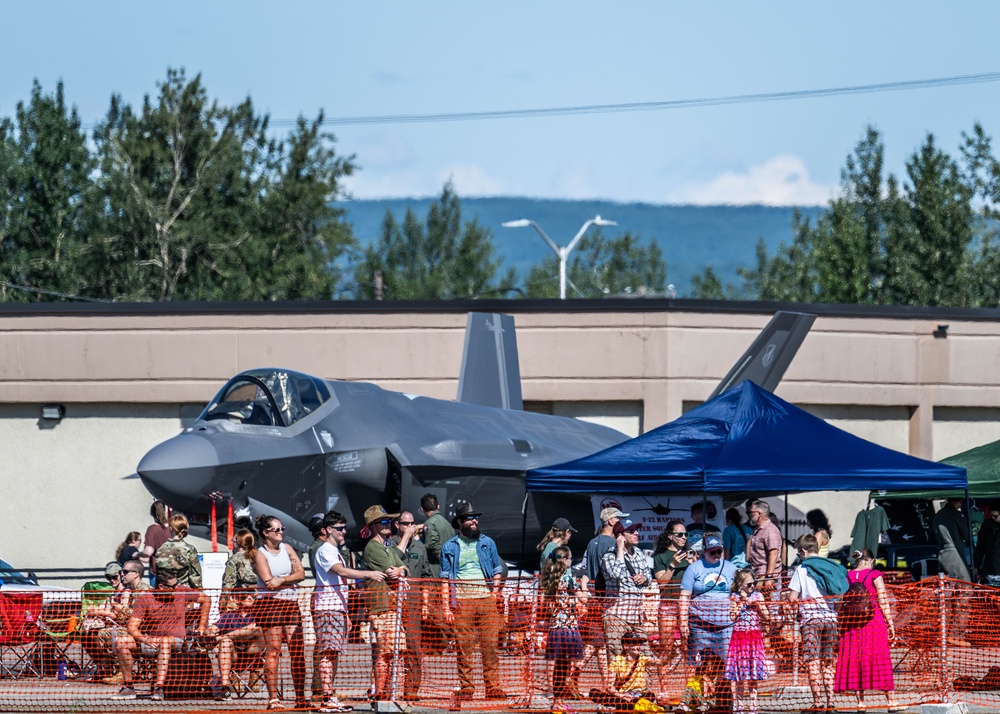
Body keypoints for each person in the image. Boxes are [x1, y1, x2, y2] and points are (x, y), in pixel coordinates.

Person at [314, 510, 386, 713]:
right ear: (328, 530)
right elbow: (341, 572)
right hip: (328, 608)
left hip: (337, 608)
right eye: (339, 528)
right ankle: (326, 698)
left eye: (344, 528)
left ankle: (329, 696)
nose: (343, 532)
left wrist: (345, 612)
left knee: (333, 653)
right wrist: (369, 573)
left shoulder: (334, 550)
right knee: (328, 653)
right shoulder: (326, 550)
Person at [112, 561, 211, 701]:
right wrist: (145, 639)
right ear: (161, 586)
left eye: (176, 584)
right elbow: (132, 627)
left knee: (165, 641)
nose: (176, 588)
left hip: (176, 641)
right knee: (122, 641)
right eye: (172, 586)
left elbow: (206, 599)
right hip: (152, 640)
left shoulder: (181, 591)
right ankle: (128, 686)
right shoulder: (145, 598)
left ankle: (159, 687)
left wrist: (201, 626)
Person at [439, 501, 507, 702]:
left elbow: (497, 570)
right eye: (470, 517)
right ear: (460, 522)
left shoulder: (487, 542)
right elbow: (445, 578)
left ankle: (493, 687)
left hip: (486, 599)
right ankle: (467, 687)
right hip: (461, 601)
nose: (475, 520)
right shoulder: (449, 546)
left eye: (476, 517)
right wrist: (446, 607)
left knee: (491, 646)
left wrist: (494, 594)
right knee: (464, 647)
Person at [252, 514, 307, 711]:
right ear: (266, 533)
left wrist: (283, 579)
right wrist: (288, 579)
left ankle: (300, 696)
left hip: (290, 603)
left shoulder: (288, 548)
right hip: (270, 605)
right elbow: (268, 582)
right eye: (277, 530)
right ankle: (273, 698)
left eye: (282, 529)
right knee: (274, 650)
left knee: (297, 650)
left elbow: (301, 574)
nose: (281, 532)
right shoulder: (260, 554)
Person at [834, 548, 899, 712]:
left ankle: (860, 703)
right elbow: (883, 601)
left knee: (855, 658)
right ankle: (891, 701)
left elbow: (841, 602)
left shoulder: (848, 576)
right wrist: (890, 623)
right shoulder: (874, 574)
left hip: (852, 623)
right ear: (871, 560)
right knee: (880, 658)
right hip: (873, 621)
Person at [788, 534, 847, 713]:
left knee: (813, 661)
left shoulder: (801, 569)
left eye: (799, 553)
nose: (799, 557)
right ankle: (831, 702)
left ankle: (818, 703)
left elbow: (793, 598)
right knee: (828, 662)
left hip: (810, 621)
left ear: (804, 551)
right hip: (830, 619)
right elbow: (838, 594)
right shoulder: (829, 566)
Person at [361, 504, 412, 702]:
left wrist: (401, 571)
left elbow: (402, 568)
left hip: (393, 606)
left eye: (388, 520)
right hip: (382, 607)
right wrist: (399, 572)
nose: (388, 524)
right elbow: (392, 575)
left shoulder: (388, 545)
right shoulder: (373, 548)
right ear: (373, 525)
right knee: (385, 653)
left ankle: (388, 691)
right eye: (383, 521)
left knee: (395, 652)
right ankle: (380, 692)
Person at [579, 506, 629, 690]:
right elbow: (614, 573)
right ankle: (612, 684)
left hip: (594, 596)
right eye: (619, 519)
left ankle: (606, 683)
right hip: (606, 599)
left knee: (597, 643)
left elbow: (586, 570)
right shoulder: (611, 544)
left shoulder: (592, 542)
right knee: (610, 645)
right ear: (611, 521)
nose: (622, 523)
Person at [679, 534, 738, 670]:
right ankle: (698, 690)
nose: (716, 554)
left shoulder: (731, 567)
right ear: (704, 551)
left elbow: (738, 594)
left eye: (719, 551)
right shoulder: (694, 568)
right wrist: (682, 622)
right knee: (700, 664)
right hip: (700, 623)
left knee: (726, 662)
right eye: (712, 552)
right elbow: (684, 596)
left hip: (726, 624)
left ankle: (723, 691)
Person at [540, 545, 585, 707]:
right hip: (568, 627)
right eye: (570, 558)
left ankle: (556, 697)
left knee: (558, 663)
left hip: (555, 626)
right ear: (564, 560)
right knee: (564, 665)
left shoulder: (549, 578)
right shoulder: (568, 579)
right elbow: (583, 599)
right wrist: (584, 584)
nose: (571, 561)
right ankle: (558, 699)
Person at [601, 517, 652, 661]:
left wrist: (644, 578)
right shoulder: (609, 556)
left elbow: (648, 576)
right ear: (621, 536)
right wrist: (620, 550)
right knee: (617, 659)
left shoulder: (639, 553)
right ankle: (616, 684)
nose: (636, 533)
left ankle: (642, 685)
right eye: (631, 531)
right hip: (616, 616)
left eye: (636, 530)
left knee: (644, 657)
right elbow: (617, 574)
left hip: (636, 616)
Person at [392, 510, 430, 700]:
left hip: (413, 603)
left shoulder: (420, 548)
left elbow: (426, 577)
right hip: (392, 603)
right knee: (389, 648)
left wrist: (425, 604)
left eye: (412, 523)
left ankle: (411, 689)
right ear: (397, 525)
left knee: (414, 646)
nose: (409, 527)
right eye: (405, 523)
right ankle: (384, 689)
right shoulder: (389, 545)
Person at [723, 569, 770, 714]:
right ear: (740, 585)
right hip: (739, 637)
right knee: (740, 673)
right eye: (749, 584)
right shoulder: (734, 597)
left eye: (754, 583)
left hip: (754, 636)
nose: (752, 587)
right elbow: (732, 616)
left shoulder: (758, 595)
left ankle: (753, 705)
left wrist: (759, 606)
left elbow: (767, 615)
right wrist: (742, 602)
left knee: (753, 672)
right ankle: (740, 705)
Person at [652, 520, 695, 660]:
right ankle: (663, 682)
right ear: (670, 536)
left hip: (688, 604)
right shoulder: (660, 556)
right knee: (666, 647)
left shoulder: (690, 554)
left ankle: (691, 681)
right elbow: (662, 584)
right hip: (668, 603)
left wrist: (694, 565)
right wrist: (672, 565)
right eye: (680, 534)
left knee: (689, 647)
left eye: (686, 534)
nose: (684, 537)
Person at [211, 591, 264, 700]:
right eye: (245, 595)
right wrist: (205, 631)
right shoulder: (229, 615)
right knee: (225, 642)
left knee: (257, 629)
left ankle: (221, 638)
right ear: (235, 599)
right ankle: (225, 688)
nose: (249, 597)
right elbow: (212, 629)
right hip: (235, 656)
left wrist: (219, 637)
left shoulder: (258, 613)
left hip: (254, 652)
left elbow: (256, 628)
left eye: (252, 595)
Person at [588, 631, 656, 712]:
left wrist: (669, 652)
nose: (638, 646)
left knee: (650, 695)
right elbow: (609, 687)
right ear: (626, 646)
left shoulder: (643, 658)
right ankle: (627, 706)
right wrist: (622, 695)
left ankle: (617, 707)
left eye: (639, 643)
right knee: (594, 693)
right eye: (635, 643)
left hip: (639, 695)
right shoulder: (617, 661)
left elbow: (660, 662)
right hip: (623, 695)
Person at [153, 513, 202, 588]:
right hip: (183, 592)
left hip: (165, 591)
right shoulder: (189, 549)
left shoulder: (161, 549)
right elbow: (195, 575)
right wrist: (199, 592)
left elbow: (159, 573)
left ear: (171, 528)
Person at [746, 500, 782, 596]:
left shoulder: (770, 530)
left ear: (759, 513)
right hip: (758, 574)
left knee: (767, 606)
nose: (748, 515)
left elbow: (774, 553)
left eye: (751, 512)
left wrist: (768, 577)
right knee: (760, 606)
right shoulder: (759, 529)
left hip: (765, 576)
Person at [420, 493, 455, 577]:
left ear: (422, 509)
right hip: (449, 570)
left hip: (435, 571)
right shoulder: (448, 524)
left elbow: (433, 546)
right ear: (438, 506)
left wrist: (444, 562)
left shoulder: (429, 524)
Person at [141, 500, 172, 585]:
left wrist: (137, 555)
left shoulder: (152, 529)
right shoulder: (172, 528)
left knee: (157, 597)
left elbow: (148, 551)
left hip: (158, 573)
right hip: (173, 572)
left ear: (152, 513)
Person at [974, 501, 1000, 585]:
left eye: (995, 516)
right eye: (991, 516)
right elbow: (980, 547)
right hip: (989, 568)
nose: (993, 518)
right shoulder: (987, 525)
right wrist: (976, 565)